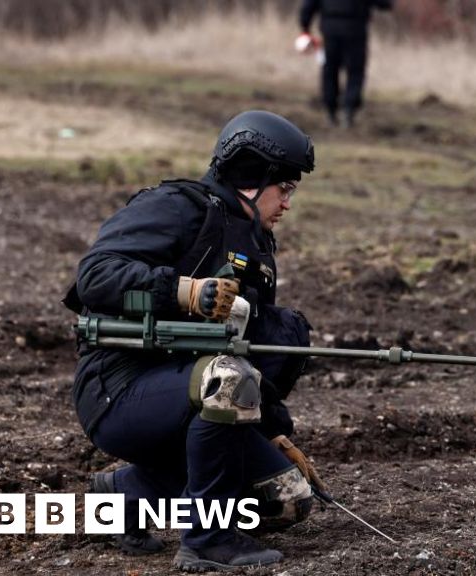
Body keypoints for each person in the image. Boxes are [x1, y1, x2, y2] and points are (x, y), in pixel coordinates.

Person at [64, 110, 317, 571]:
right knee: (226, 380)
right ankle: (206, 540)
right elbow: (93, 277)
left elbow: (249, 349)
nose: (287, 204)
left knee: (284, 499)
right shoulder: (177, 206)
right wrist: (186, 291)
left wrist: (273, 429)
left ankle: (126, 496)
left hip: (190, 389)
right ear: (251, 176)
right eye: (285, 189)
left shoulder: (255, 248)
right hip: (117, 388)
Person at [299, 0, 393, 128]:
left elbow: (309, 5)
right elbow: (384, 4)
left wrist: (305, 26)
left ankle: (331, 111)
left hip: (330, 31)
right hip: (356, 31)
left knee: (330, 71)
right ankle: (349, 110)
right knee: (355, 71)